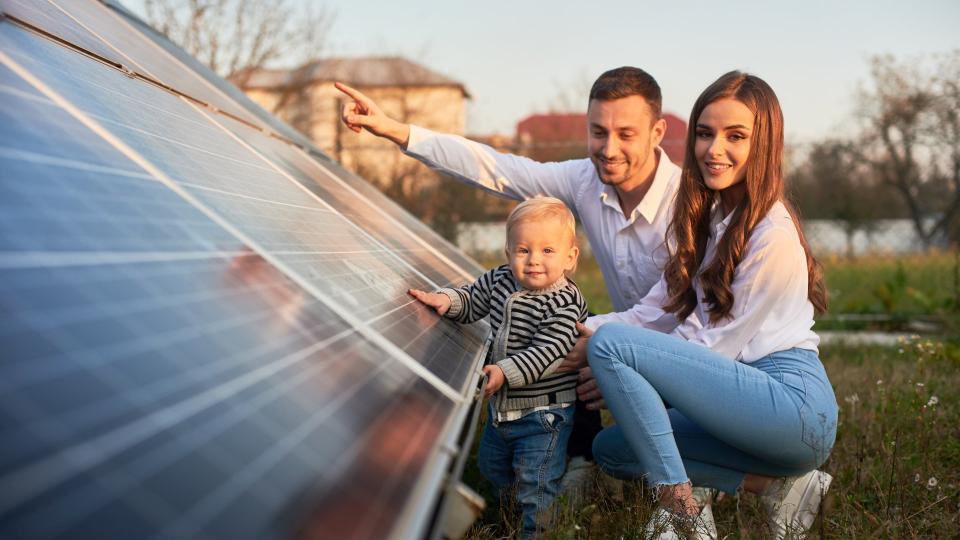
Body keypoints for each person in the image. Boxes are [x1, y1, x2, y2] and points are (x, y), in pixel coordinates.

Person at [336, 66, 682, 493]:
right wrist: (396, 130)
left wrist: (608, 348)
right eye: (598, 132)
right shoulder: (584, 180)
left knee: (587, 334)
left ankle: (694, 470)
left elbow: (694, 314)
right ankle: (580, 456)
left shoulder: (689, 203)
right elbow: (495, 168)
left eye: (626, 133)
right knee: (566, 324)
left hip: (695, 351)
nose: (609, 148)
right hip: (625, 335)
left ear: (658, 132)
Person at [575, 71, 838, 539]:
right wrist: (573, 332)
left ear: (765, 144)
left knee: (614, 348)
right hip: (740, 397)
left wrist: (614, 362)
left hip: (791, 406)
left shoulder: (772, 236)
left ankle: (682, 515)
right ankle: (781, 490)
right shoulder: (712, 220)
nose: (714, 149)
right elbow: (650, 313)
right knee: (615, 448)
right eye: (704, 133)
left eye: (735, 136)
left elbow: (712, 350)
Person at [408, 197, 588, 538]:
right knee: (493, 466)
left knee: (535, 483)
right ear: (508, 253)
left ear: (570, 257)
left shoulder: (565, 302)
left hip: (544, 415)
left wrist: (504, 370)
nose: (534, 260)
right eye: (523, 250)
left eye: (548, 251)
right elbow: (473, 299)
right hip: (502, 411)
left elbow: (549, 350)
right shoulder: (501, 279)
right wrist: (448, 300)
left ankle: (537, 528)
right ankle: (511, 514)